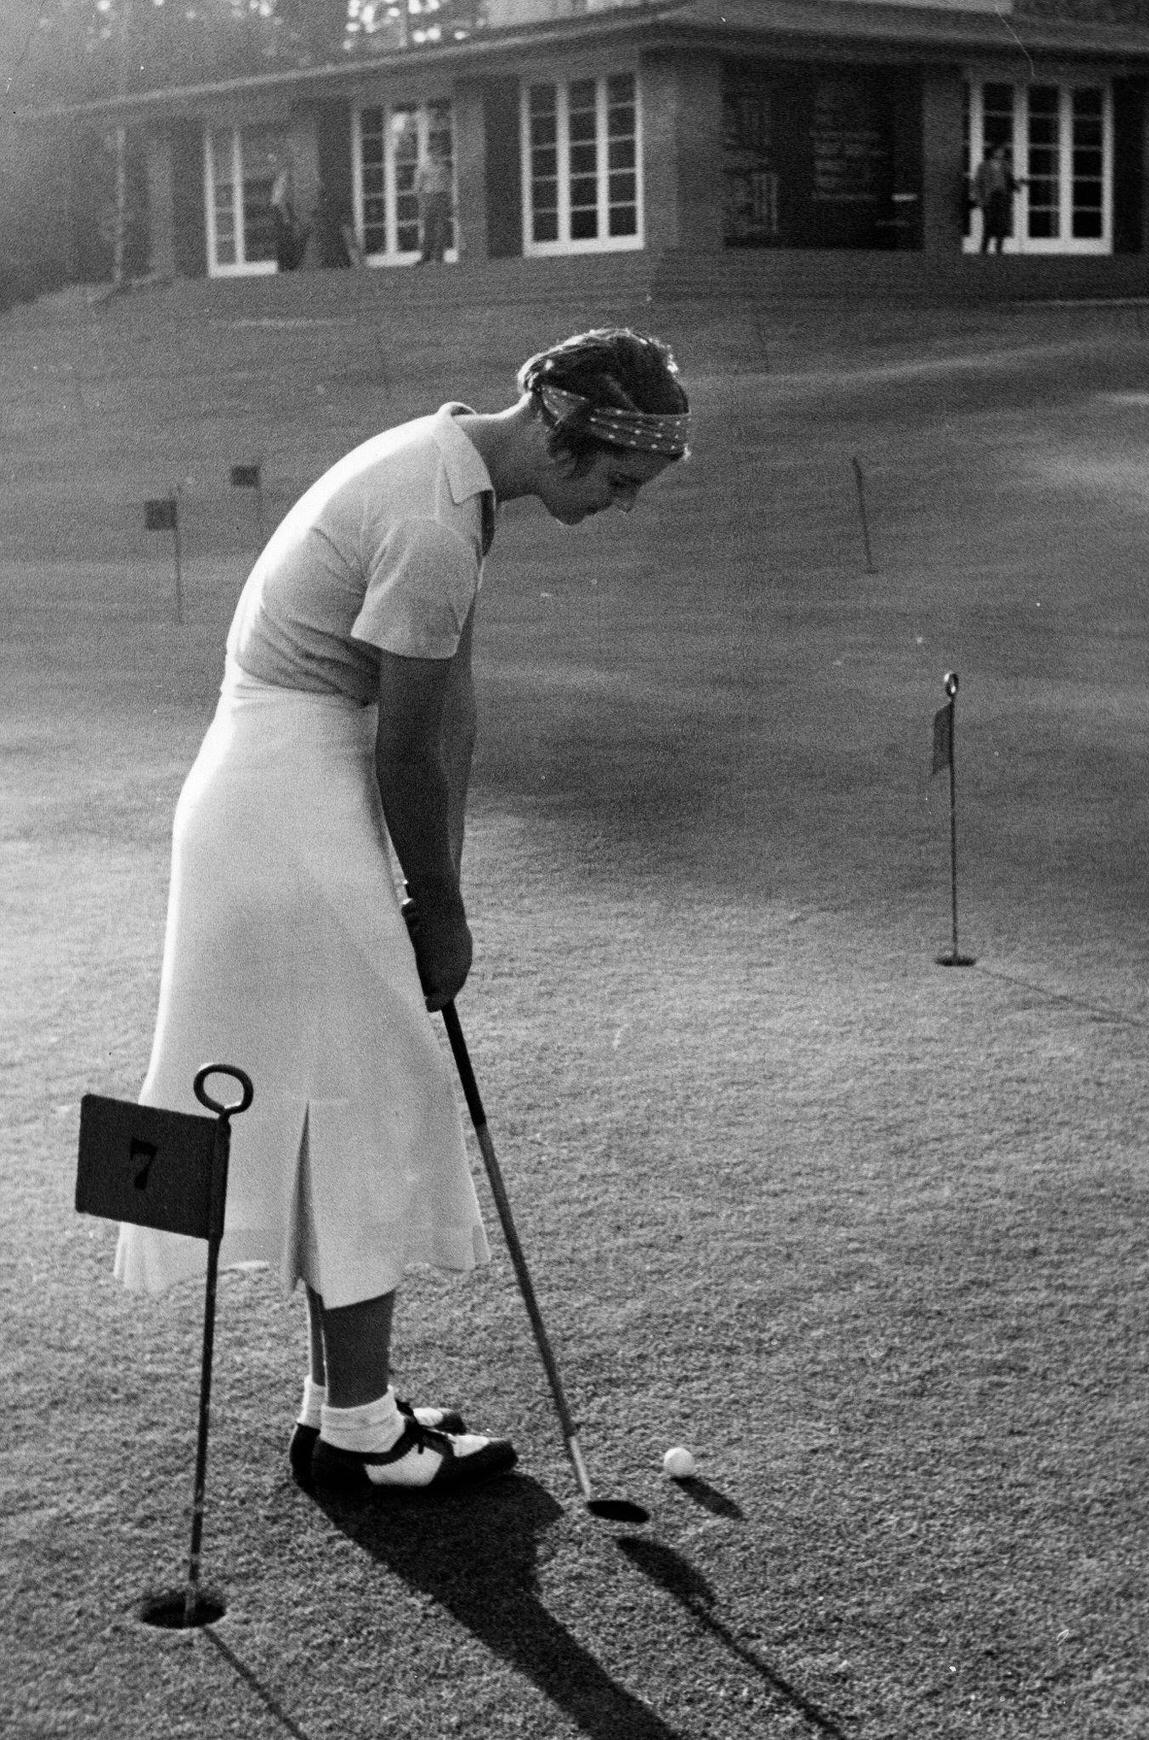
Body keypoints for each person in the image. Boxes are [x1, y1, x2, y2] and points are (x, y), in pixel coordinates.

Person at [114, 329, 691, 1497]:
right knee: (366, 1099)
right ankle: (362, 1432)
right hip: (289, 805)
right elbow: (407, 749)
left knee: (348, 1101)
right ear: (557, 433)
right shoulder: (433, 518)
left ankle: (348, 1406)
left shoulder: (453, 479)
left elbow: (451, 711)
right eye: (617, 480)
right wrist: (438, 905)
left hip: (288, 792)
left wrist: (448, 889)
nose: (621, 506)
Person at [972, 144, 1018, 255]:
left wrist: (1016, 185)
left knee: (1002, 223)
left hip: (1002, 197)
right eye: (999, 151)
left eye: (1002, 151)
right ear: (993, 152)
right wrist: (979, 199)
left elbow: (1010, 180)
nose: (1001, 153)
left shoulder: (1005, 165)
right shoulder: (983, 166)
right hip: (989, 197)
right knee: (988, 223)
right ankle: (984, 249)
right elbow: (977, 183)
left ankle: (999, 249)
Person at [416, 156, 455, 263]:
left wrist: (449, 201)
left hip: (441, 197)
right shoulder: (423, 168)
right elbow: (418, 186)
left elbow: (449, 184)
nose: (436, 154)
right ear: (429, 152)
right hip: (428, 197)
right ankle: (425, 257)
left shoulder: (443, 168)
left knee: (441, 229)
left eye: (438, 151)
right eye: (433, 151)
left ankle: (439, 257)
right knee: (428, 229)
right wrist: (422, 202)